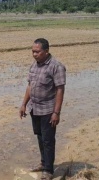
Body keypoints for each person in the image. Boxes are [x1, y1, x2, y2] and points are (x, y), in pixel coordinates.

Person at [19, 38, 66, 180]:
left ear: (46, 51)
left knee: (48, 140)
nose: (34, 54)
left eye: (37, 52)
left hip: (48, 111)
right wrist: (23, 104)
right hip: (35, 109)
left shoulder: (56, 66)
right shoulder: (34, 65)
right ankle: (43, 162)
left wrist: (56, 113)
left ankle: (48, 170)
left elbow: (60, 90)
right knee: (40, 137)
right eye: (33, 51)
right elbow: (30, 86)